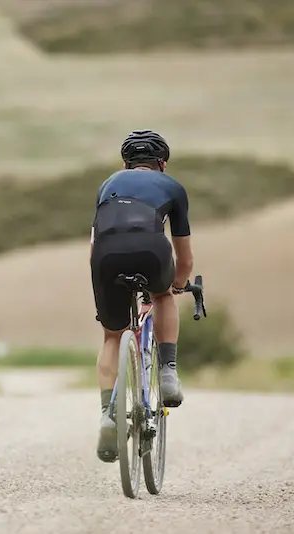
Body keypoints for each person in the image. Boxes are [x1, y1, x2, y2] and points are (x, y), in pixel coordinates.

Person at [89, 129, 194, 463]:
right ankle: (168, 373)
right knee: (163, 296)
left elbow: (94, 242)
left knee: (111, 336)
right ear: (162, 164)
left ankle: (108, 414)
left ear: (126, 164)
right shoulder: (172, 187)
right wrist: (177, 284)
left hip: (105, 257)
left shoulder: (108, 184)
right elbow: (185, 259)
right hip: (152, 251)